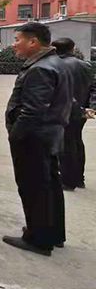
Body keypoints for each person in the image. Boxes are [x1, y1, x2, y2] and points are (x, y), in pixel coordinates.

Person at [3, 22, 70, 256]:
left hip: (34, 138)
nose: (14, 45)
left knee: (33, 187)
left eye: (17, 40)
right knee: (49, 185)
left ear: (33, 42)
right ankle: (53, 233)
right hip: (49, 134)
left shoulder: (40, 69)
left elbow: (32, 111)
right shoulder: (56, 63)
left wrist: (16, 135)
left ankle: (38, 239)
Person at [51, 37, 94, 191]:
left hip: (63, 109)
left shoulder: (56, 65)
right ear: (72, 48)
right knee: (76, 141)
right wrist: (90, 107)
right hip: (81, 110)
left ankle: (68, 180)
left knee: (65, 145)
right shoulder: (86, 65)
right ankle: (79, 178)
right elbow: (93, 86)